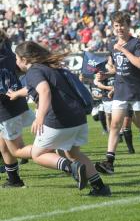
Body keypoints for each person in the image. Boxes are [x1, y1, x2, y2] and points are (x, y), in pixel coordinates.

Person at [12, 41, 111, 196]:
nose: (16, 62)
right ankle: (100, 187)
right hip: (78, 118)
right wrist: (17, 94)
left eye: (17, 58)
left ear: (25, 59)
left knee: (37, 154)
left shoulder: (34, 71)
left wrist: (40, 117)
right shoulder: (51, 67)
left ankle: (71, 168)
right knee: (73, 154)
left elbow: (44, 91)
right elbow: (35, 88)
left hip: (59, 120)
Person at [95, 11, 140, 173]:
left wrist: (123, 50)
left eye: (122, 25)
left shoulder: (135, 43)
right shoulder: (112, 44)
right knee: (115, 125)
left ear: (128, 26)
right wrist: (106, 74)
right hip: (121, 90)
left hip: (137, 91)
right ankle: (109, 162)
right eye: (116, 25)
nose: (119, 28)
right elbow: (118, 68)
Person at [0, 30, 34, 188]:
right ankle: (14, 180)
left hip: (6, 107)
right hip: (13, 104)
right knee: (3, 146)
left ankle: (66, 163)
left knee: (17, 150)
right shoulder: (7, 50)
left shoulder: (4, 54)